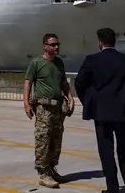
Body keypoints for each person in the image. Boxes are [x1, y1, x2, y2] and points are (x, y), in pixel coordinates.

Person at [74, 28, 125, 193]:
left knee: (106, 151)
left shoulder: (91, 60)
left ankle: (112, 188)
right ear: (114, 42)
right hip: (123, 111)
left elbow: (79, 83)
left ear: (100, 43)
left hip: (101, 113)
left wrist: (89, 101)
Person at [23, 33, 74, 188]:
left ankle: (51, 168)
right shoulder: (36, 63)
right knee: (43, 140)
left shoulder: (59, 63)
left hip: (58, 108)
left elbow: (63, 82)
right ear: (45, 46)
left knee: (56, 140)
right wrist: (26, 103)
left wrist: (71, 98)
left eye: (58, 44)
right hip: (43, 108)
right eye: (53, 44)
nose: (56, 47)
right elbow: (28, 83)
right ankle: (42, 172)